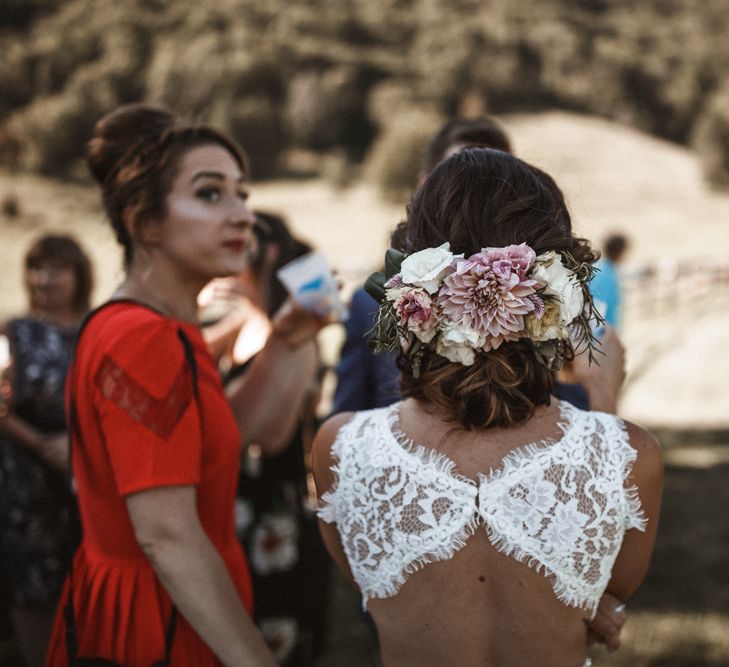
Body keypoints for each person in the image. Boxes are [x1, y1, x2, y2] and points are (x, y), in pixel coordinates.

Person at [313, 148, 663, 666]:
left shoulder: (339, 449)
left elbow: (370, 585)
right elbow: (600, 595)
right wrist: (603, 394)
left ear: (407, 282)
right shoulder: (630, 456)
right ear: (560, 286)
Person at [44, 103, 327, 666]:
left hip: (183, 600)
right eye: (209, 193)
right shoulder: (142, 338)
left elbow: (220, 442)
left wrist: (285, 341)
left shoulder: (167, 327)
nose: (242, 214)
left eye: (241, 193)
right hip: (162, 618)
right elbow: (167, 537)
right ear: (142, 220)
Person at [202, 212, 331, 664]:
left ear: (266, 254)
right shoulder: (243, 322)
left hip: (270, 528)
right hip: (229, 516)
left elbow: (271, 437)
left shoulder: (295, 338)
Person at [0, 234, 92, 667]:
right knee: (33, 586)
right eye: (36, 268)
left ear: (78, 274)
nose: (43, 279)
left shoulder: (97, 329)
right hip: (26, 479)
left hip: (87, 475)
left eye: (55, 269)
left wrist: (79, 446)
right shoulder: (12, 332)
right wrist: (42, 445)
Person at [590, 233, 629, 329]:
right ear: (620, 251)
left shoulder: (597, 266)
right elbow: (606, 306)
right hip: (601, 329)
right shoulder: (609, 275)